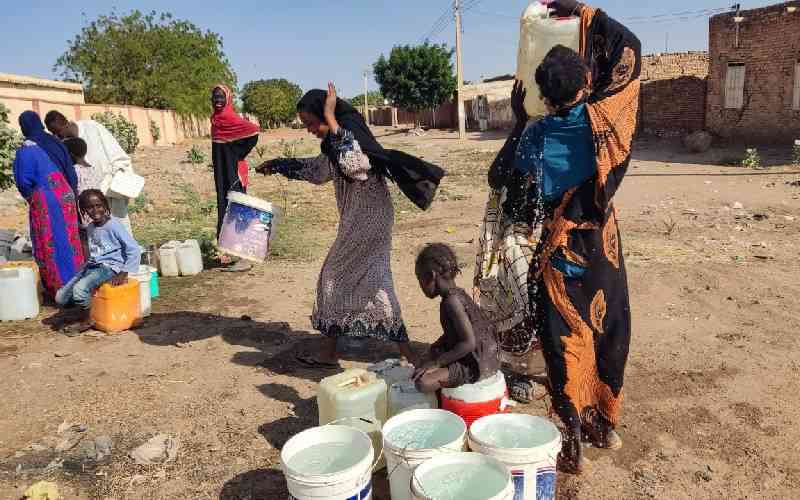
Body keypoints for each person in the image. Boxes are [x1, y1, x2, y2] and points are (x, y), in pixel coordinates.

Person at [498, 0, 641, 473]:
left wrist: (521, 122)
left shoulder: (535, 136)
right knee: (609, 327)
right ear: (585, 83)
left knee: (564, 340)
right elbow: (629, 51)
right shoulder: (607, 122)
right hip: (603, 248)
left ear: (541, 95)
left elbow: (510, 193)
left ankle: (571, 442)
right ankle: (605, 422)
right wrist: (582, 11)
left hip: (558, 253)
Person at [257, 83, 422, 368]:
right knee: (372, 280)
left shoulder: (349, 136)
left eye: (311, 123)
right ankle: (404, 351)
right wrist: (281, 164)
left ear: (325, 114)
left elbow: (355, 167)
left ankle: (332, 351)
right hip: (362, 219)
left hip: (368, 220)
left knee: (334, 277)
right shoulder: (335, 142)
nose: (309, 130)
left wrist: (332, 120)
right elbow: (319, 171)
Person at [13, 111, 84, 299]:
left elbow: (23, 181)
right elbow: (70, 170)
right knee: (70, 240)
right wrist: (72, 194)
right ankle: (79, 284)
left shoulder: (27, 149)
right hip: (66, 195)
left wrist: (33, 198)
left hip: (47, 201)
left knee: (52, 241)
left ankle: (59, 287)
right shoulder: (55, 142)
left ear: (24, 127)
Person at [413, 243, 499, 393]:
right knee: (427, 356)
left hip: (477, 363)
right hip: (488, 354)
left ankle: (445, 391)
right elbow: (458, 332)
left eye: (420, 280)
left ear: (432, 276)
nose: (421, 287)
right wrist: (435, 349)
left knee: (423, 382)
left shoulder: (451, 302)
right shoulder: (457, 294)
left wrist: (436, 363)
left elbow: (468, 343)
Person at [56, 189, 141, 335]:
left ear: (105, 205)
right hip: (93, 265)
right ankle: (87, 307)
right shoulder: (90, 227)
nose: (95, 210)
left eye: (98, 205)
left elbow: (133, 248)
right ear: (84, 210)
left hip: (109, 268)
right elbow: (94, 252)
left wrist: (123, 272)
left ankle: (87, 320)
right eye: (90, 207)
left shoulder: (114, 225)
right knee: (60, 298)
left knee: (79, 290)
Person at [44, 111, 136, 235]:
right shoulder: (66, 145)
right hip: (92, 206)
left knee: (121, 232)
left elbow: (119, 158)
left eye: (57, 132)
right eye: (53, 133)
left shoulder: (92, 128)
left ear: (66, 124)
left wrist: (106, 186)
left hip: (112, 193)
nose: (57, 136)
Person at [210, 84, 260, 272]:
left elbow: (253, 131)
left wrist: (239, 153)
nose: (218, 101)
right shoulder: (215, 120)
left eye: (221, 97)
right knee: (225, 208)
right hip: (222, 173)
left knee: (238, 210)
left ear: (228, 99)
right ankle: (230, 251)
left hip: (234, 172)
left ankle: (245, 257)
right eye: (215, 97)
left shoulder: (230, 118)